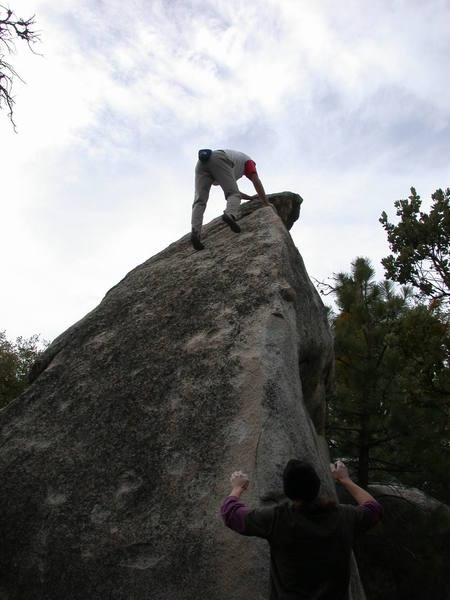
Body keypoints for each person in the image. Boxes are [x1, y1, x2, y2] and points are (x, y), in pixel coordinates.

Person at [221, 459, 383, 600]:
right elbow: (373, 509)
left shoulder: (277, 518)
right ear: (316, 485)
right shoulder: (344, 517)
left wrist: (237, 488)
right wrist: (345, 479)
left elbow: (231, 514)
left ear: (288, 490)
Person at [191, 148, 270, 250]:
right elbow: (255, 180)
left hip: (201, 164)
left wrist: (250, 198)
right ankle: (230, 215)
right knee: (233, 194)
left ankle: (195, 232)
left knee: (199, 201)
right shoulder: (249, 161)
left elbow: (233, 190)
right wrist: (266, 202)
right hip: (219, 159)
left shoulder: (234, 166)